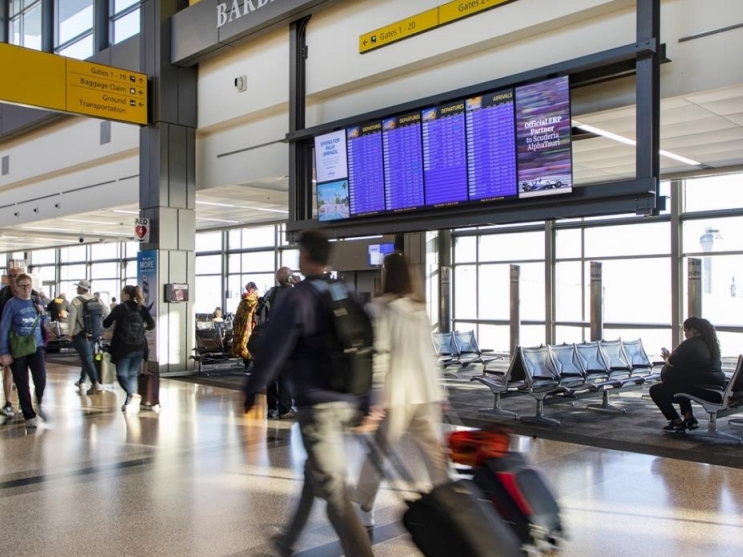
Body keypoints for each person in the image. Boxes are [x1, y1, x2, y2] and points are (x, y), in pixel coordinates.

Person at [244, 230, 374, 557]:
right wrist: (366, 400)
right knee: (313, 474)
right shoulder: (344, 291)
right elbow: (366, 346)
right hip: (349, 399)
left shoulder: (298, 297)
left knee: (335, 495)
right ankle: (287, 543)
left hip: (319, 406)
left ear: (304, 257)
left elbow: (274, 348)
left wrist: (253, 387)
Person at [353, 253, 450, 527]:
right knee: (433, 451)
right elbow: (430, 353)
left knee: (379, 452)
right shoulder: (419, 308)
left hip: (397, 394)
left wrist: (377, 397)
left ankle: (365, 506)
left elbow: (380, 353)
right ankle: (448, 501)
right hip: (426, 391)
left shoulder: (380, 308)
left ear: (386, 274)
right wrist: (440, 392)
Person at [649, 316, 726, 432]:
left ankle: (676, 422)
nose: (685, 334)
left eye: (685, 331)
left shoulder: (691, 344)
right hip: (716, 387)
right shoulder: (711, 345)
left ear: (693, 330)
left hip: (705, 390)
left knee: (656, 390)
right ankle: (689, 418)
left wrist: (666, 358)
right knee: (681, 384)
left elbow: (672, 362)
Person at [0, 273, 49, 428]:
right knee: (22, 382)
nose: (27, 288)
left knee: (40, 378)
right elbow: (4, 327)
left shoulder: (36, 301)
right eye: (23, 286)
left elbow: (44, 321)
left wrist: (43, 312)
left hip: (36, 345)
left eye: (29, 285)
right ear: (17, 287)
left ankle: (40, 403)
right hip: (18, 346)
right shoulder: (11, 304)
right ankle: (29, 415)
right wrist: (4, 352)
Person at [103, 285, 155, 412]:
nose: (120, 295)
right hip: (139, 346)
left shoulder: (120, 308)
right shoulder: (141, 308)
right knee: (132, 374)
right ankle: (130, 401)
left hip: (123, 347)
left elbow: (106, 323)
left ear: (126, 294)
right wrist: (142, 329)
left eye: (122, 293)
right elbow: (152, 324)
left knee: (121, 375)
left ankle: (133, 396)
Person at [266, 266, 297, 419]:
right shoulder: (295, 293)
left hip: (268, 339)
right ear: (289, 277)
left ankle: (272, 408)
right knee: (284, 377)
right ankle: (285, 409)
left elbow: (260, 312)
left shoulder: (271, 292)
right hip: (285, 341)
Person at [68, 280, 103, 394]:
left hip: (80, 333)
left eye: (78, 287)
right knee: (86, 357)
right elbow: (106, 313)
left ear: (82, 289)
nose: (76, 289)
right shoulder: (97, 299)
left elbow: (72, 318)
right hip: (94, 333)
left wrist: (70, 333)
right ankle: (82, 381)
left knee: (87, 358)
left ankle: (95, 383)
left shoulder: (76, 301)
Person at [231, 281, 259, 370]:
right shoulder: (252, 300)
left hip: (244, 326)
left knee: (244, 344)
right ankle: (249, 365)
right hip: (246, 327)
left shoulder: (247, 300)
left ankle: (248, 365)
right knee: (247, 344)